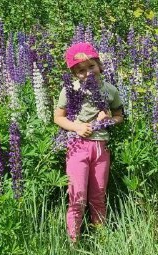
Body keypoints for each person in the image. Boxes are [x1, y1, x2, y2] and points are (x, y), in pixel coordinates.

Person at [53, 42, 124, 244]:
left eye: (91, 66)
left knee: (98, 197)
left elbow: (120, 116)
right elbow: (58, 117)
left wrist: (108, 118)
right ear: (75, 74)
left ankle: (101, 242)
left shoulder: (110, 90)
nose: (87, 73)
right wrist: (76, 127)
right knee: (78, 198)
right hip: (77, 147)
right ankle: (73, 244)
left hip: (101, 148)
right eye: (81, 70)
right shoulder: (71, 90)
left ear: (99, 65)